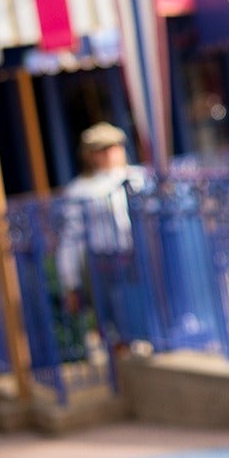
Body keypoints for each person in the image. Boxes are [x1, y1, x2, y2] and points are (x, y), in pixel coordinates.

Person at [57, 123, 151, 341]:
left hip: (138, 257)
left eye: (114, 147)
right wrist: (70, 282)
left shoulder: (139, 178)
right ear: (90, 155)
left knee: (145, 312)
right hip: (104, 262)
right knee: (116, 322)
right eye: (102, 150)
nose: (110, 154)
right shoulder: (80, 190)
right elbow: (71, 239)